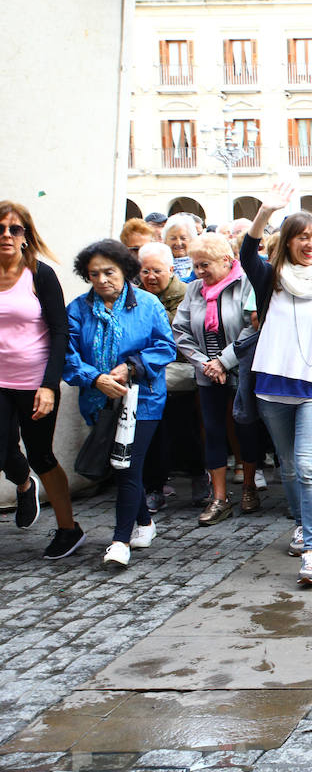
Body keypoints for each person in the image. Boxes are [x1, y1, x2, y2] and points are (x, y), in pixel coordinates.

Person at [241, 180, 312, 586]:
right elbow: (245, 254)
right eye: (301, 238)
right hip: (273, 385)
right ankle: (300, 524)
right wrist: (265, 212)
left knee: (308, 466)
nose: (309, 244)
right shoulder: (269, 279)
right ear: (287, 242)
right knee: (288, 467)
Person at [65, 239, 176, 568]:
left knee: (127, 465)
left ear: (125, 271)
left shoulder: (147, 304)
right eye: (93, 274)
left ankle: (119, 541)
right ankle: (144, 521)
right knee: (121, 467)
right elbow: (67, 357)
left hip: (143, 399)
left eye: (108, 272)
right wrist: (95, 378)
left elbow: (165, 346)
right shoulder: (78, 309)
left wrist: (131, 367)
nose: (101, 280)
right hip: (99, 400)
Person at [0, 202, 84, 558]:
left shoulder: (40, 274)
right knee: (2, 447)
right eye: (0, 228)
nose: (5, 234)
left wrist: (49, 385)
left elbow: (60, 331)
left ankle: (69, 529)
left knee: (42, 455)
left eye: (14, 229)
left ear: (25, 236)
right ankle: (23, 484)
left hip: (35, 381)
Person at [174, 232, 261, 525]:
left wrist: (224, 361)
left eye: (205, 265)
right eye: (196, 266)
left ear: (226, 261)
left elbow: (252, 329)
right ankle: (219, 497)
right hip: (207, 374)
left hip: (239, 368)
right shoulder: (194, 290)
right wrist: (205, 363)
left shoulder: (245, 283)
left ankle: (249, 486)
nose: (199, 272)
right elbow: (181, 331)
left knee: (245, 427)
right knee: (212, 431)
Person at [139, 242, 204, 512]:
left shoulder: (187, 295)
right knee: (154, 434)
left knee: (184, 431)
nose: (151, 277)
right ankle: (154, 486)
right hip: (148, 375)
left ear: (170, 269)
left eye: (156, 270)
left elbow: (179, 338)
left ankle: (199, 477)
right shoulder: (134, 297)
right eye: (144, 271)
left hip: (181, 376)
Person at [163, 215, 198, 282]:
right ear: (165, 241)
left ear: (192, 240)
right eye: (173, 238)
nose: (178, 243)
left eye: (183, 238)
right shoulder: (160, 264)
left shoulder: (198, 265)